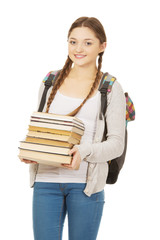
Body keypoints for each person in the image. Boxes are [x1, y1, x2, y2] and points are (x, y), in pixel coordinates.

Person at [21, 17, 126, 240]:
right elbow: (43, 128)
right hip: (45, 183)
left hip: (85, 186)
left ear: (102, 46)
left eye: (88, 43)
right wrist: (34, 150)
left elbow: (117, 144)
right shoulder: (50, 81)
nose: (79, 49)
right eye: (73, 41)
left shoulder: (109, 88)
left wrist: (84, 151)